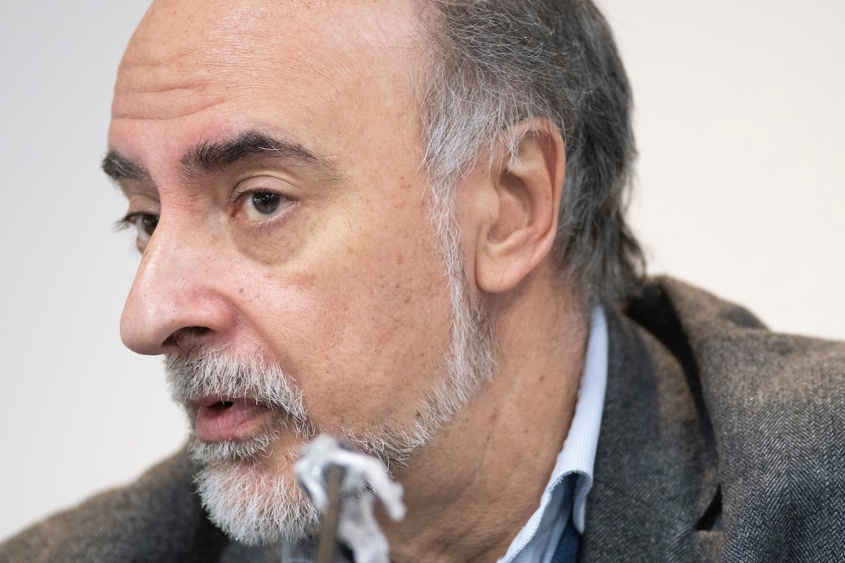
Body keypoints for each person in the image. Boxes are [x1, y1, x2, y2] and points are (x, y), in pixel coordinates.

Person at [2, 0, 844, 561]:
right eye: (146, 218)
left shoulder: (816, 488)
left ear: (510, 206)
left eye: (261, 199)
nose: (146, 315)